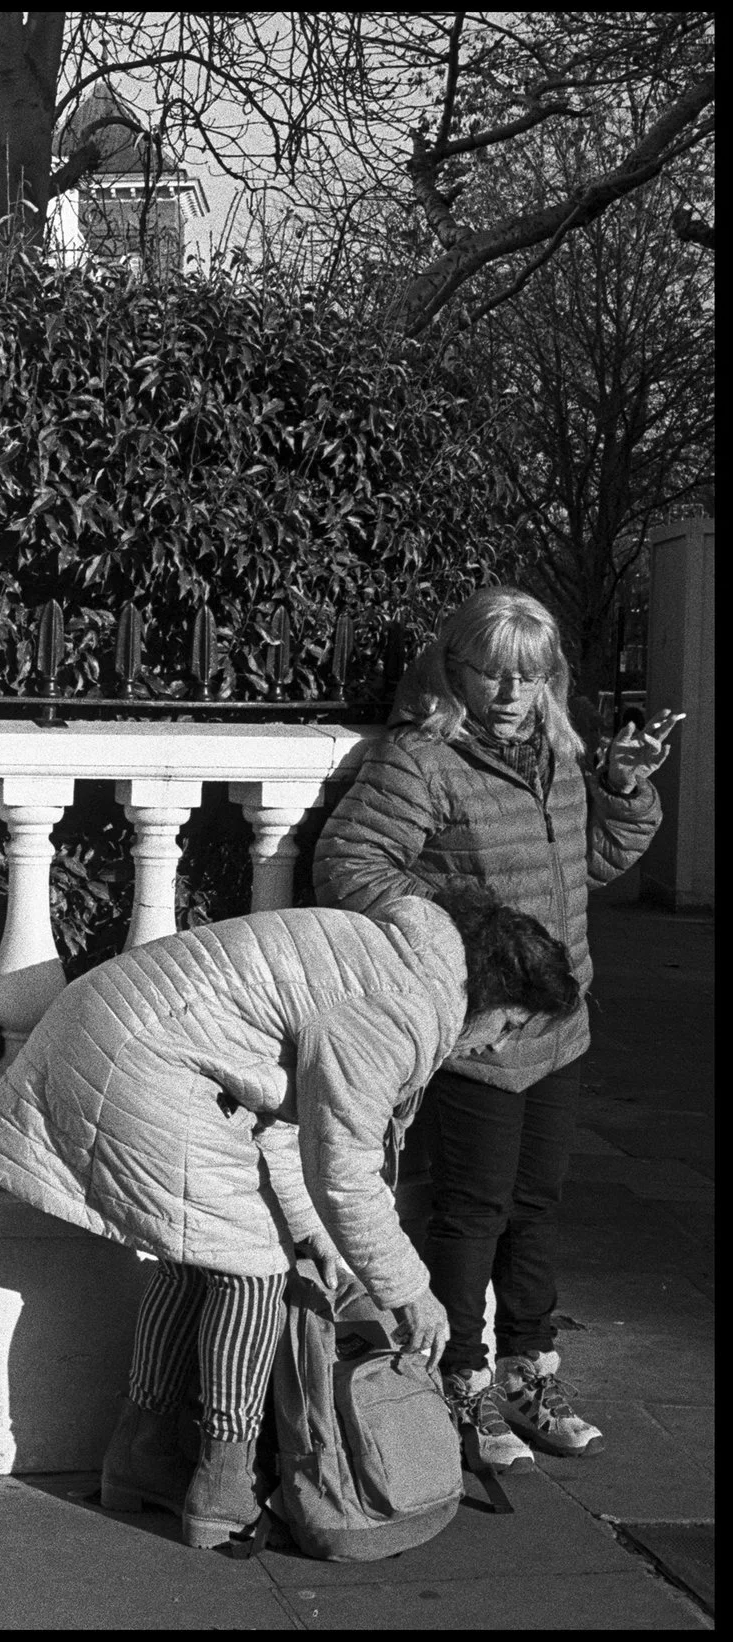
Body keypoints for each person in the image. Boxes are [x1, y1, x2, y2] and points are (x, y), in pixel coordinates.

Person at [0, 882, 579, 1550]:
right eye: (511, 1025)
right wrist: (410, 1293)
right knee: (252, 1273)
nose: (498, 1046)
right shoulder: (403, 1009)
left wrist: (313, 1232)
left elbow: (291, 1125)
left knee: (199, 1254)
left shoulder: (391, 959)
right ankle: (222, 1488)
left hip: (114, 1038)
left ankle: (142, 1457)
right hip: (143, 1064)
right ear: (490, 990)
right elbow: (344, 1166)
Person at [316, 586, 675, 1469]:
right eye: (491, 673)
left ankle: (529, 1369)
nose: (510, 693)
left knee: (538, 1208)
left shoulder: (556, 751)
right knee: (470, 1211)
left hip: (561, 1023)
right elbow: (349, 865)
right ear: (453, 668)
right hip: (480, 1033)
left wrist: (622, 790)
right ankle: (462, 1385)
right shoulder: (422, 759)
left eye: (530, 675)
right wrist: (463, 944)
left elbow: (591, 862)